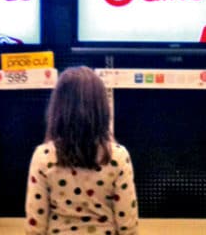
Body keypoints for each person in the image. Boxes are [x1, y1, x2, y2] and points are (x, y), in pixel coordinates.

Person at [25, 66, 139, 234]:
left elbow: (35, 225)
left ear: (58, 109)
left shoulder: (43, 156)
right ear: (101, 109)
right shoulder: (118, 156)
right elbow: (127, 224)